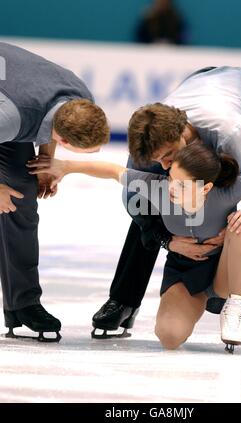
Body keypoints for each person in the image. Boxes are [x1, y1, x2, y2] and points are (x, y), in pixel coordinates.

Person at [93, 66, 241, 355]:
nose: (164, 165)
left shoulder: (230, 134)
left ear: (182, 132)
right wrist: (167, 238)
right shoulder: (150, 144)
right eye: (157, 160)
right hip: (203, 84)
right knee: (155, 198)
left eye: (167, 155)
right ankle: (123, 300)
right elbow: (137, 206)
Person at [27, 140, 241, 352]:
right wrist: (66, 166)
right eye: (172, 178)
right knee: (169, 336)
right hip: (185, 272)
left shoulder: (227, 192)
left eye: (182, 185)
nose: (173, 188)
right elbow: (112, 171)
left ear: (206, 188)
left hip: (227, 271)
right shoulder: (159, 188)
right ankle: (195, 302)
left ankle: (236, 306)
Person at [0, 42, 109, 342]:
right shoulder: (10, 118)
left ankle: (23, 304)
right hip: (10, 106)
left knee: (20, 197)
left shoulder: (82, 98)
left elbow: (49, 123)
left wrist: (47, 160)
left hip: (13, 96)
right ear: (64, 137)